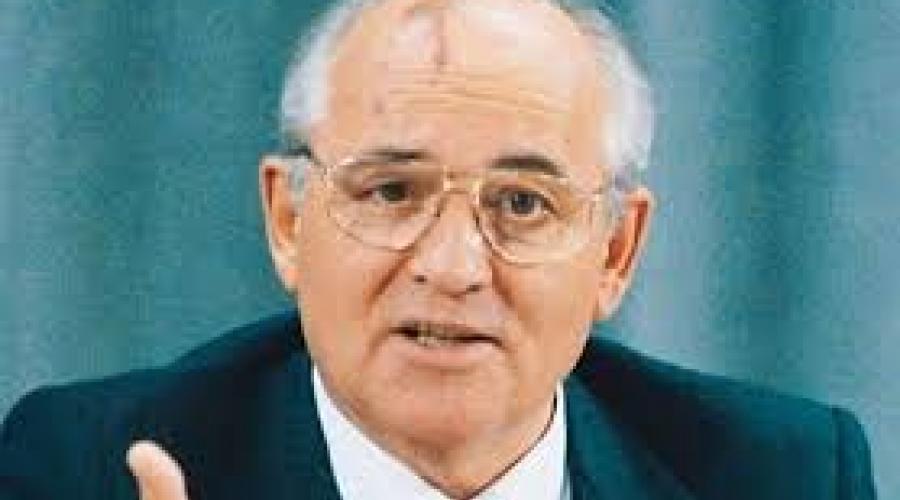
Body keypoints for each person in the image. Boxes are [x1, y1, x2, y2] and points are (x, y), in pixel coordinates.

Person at [0, 0, 877, 499]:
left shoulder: (783, 479)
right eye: (391, 192)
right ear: (289, 221)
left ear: (615, 250)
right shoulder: (84, 470)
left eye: (523, 204)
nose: (452, 268)